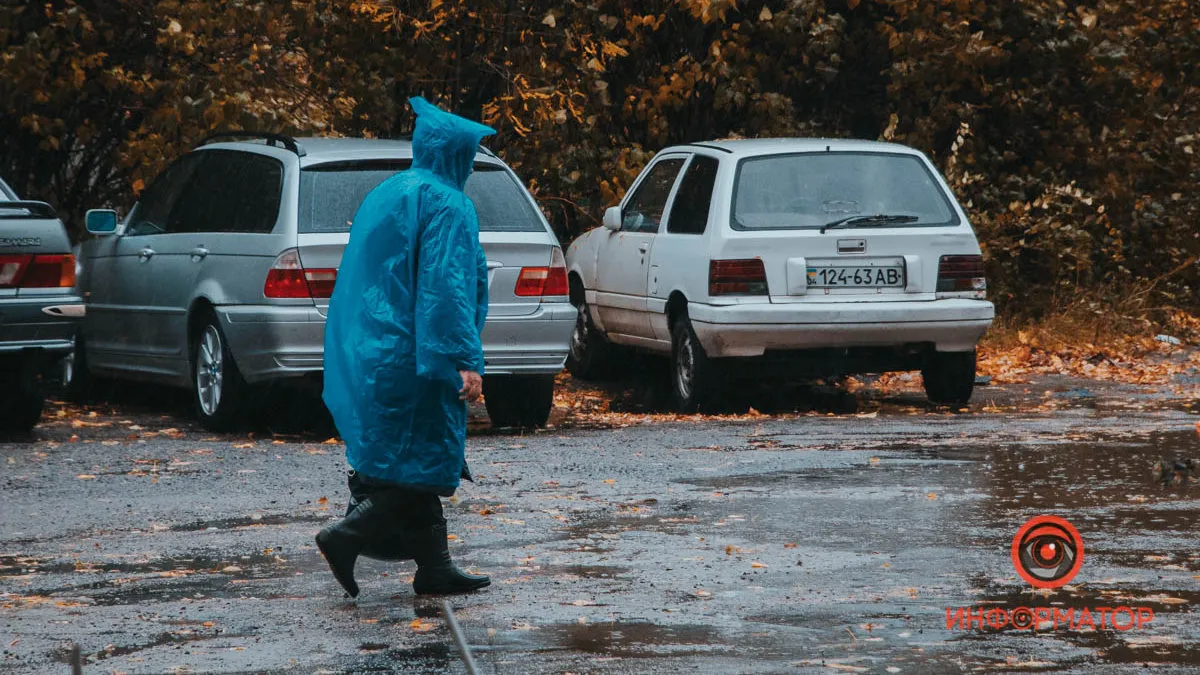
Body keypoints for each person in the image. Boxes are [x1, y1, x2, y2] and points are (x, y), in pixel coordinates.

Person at [316, 96, 495, 598]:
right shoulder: (448, 204)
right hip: (417, 356)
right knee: (417, 471)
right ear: (458, 154)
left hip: (376, 352)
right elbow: (445, 289)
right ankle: (344, 535)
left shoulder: (387, 192)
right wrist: (461, 361)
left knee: (400, 466)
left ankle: (435, 568)